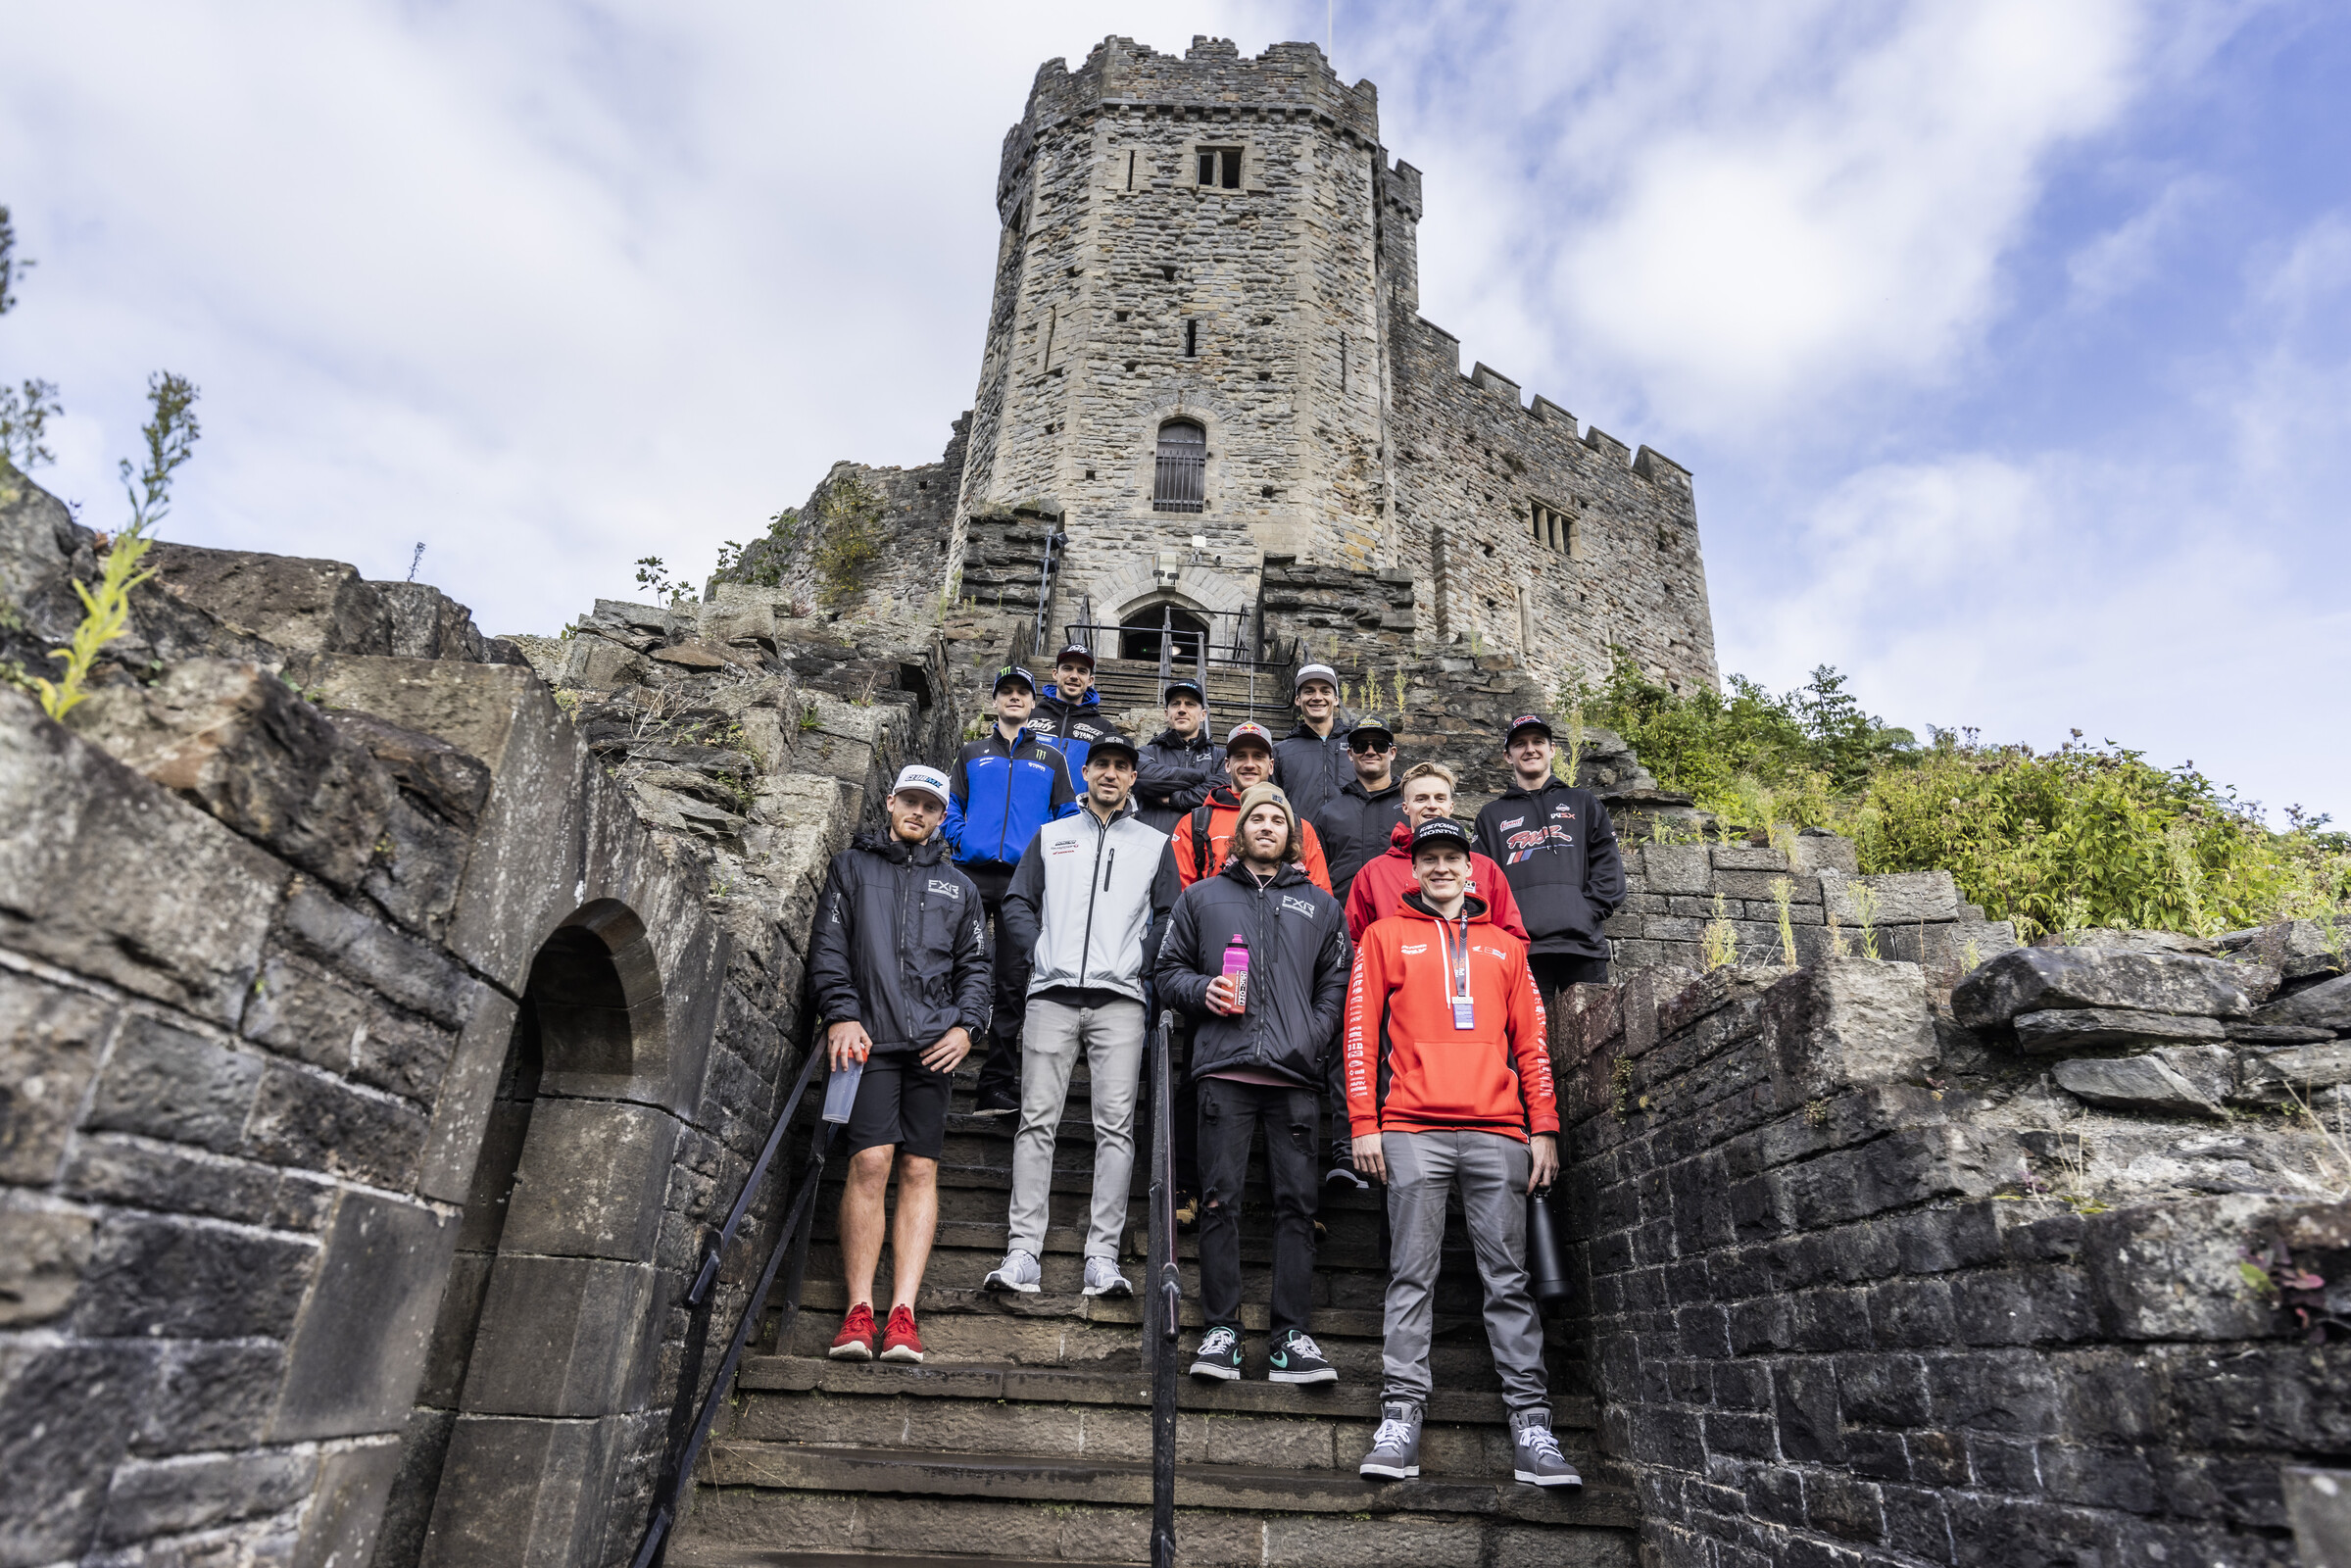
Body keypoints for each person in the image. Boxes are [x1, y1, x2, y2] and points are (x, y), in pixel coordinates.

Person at [1345, 818, 1580, 1490]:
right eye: (1431, 859)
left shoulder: (1506, 946)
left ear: (1472, 870)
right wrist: (1364, 1122)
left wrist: (1544, 1127)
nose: (1442, 868)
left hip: (1498, 1130)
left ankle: (1532, 1428)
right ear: (1415, 870)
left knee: (1507, 1279)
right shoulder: (1382, 936)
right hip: (1409, 1129)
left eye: (1453, 857)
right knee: (1410, 1275)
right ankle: (1399, 1419)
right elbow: (1357, 1035)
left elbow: (1532, 1044)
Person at [1154, 783, 1350, 1386]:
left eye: (1277, 819)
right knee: (1219, 1202)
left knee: (1298, 1206)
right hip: (1224, 1070)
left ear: (1292, 836)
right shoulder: (1201, 897)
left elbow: (1338, 980)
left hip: (1295, 1075)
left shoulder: (1322, 905)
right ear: (1238, 833)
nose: (1267, 826)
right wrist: (1201, 990)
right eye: (1256, 818)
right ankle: (1222, 1332)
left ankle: (1291, 1337)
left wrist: (1313, 1034)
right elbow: (1166, 971)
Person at [983, 732, 1180, 1299]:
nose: (1111, 774)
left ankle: (1102, 1257)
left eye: (1121, 766)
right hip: (1051, 994)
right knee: (1035, 1123)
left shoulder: (1154, 843)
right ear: (1085, 773)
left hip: (1121, 1000)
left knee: (1115, 1130)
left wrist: (1138, 959)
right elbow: (1017, 901)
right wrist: (1039, 951)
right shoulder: (1052, 835)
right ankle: (1023, 1252)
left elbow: (1169, 913)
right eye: (1102, 765)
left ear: (1133, 777)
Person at [808, 765, 992, 1364]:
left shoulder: (961, 888)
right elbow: (828, 948)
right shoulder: (850, 868)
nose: (919, 812)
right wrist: (840, 1013)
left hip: (934, 1046)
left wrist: (967, 1028)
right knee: (870, 1161)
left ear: (943, 816)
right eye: (910, 800)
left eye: (930, 806)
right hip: (868, 1041)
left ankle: (903, 1314)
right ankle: (859, 1310)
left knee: (918, 1168)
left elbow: (976, 968)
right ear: (890, 803)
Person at [943, 665, 1078, 1117]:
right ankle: (936, 1071)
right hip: (969, 875)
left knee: (1013, 983)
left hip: (1023, 883)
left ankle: (995, 1086)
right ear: (996, 701)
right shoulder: (971, 753)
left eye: (1022, 692)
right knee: (950, 968)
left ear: (1033, 702)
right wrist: (961, 840)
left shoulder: (1051, 758)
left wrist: (1044, 861)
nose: (1015, 697)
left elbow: (1065, 816)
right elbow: (951, 805)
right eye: (1007, 692)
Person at [1471, 713, 1626, 999]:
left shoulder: (1583, 802)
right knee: (1529, 1030)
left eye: (1538, 741)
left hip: (1583, 948)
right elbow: (1481, 882)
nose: (1530, 749)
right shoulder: (1491, 816)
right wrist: (1503, 931)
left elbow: (1609, 868)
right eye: (1520, 744)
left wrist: (1585, 912)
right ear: (1507, 756)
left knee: (1593, 1028)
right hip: (1521, 951)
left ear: (1552, 749)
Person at [1346, 761, 1528, 944]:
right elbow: (1353, 941)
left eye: (1440, 798)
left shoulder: (1485, 869)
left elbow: (1512, 939)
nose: (1432, 805)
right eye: (1421, 799)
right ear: (1405, 807)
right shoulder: (1375, 872)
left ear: (1451, 806)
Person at [1169, 722, 1333, 894]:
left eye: (1258, 756)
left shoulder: (1298, 826)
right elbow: (1178, 896)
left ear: (1271, 766)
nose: (1249, 764)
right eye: (1240, 756)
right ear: (1227, 765)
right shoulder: (1195, 823)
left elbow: (1320, 896)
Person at [1310, 713, 1404, 903]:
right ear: (1350, 754)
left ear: (1392, 752)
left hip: (1400, 912)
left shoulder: (1411, 806)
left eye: (1379, 745)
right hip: (1344, 914)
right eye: (1361, 746)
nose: (1370, 751)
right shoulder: (1330, 813)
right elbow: (1316, 873)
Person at [1134, 676, 1224, 833]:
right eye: (1176, 704)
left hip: (1204, 845)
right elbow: (1144, 780)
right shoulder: (1145, 753)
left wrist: (1174, 799)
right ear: (1166, 713)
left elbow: (1222, 791)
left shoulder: (1221, 757)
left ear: (1203, 715)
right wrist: (1204, 777)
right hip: (1153, 843)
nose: (1182, 709)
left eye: (1190, 704)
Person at [1273, 662, 1355, 825]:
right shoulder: (1280, 752)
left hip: (1350, 838)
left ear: (1336, 699)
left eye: (1325, 691)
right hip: (1300, 837)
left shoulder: (1357, 745)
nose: (1317, 697)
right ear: (1298, 699)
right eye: (1309, 691)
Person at [1032, 641, 1114, 778]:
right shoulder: (1029, 717)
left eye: (1082, 671)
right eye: (1067, 668)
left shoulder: (1104, 730)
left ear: (1090, 680)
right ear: (1055, 673)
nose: (1074, 676)